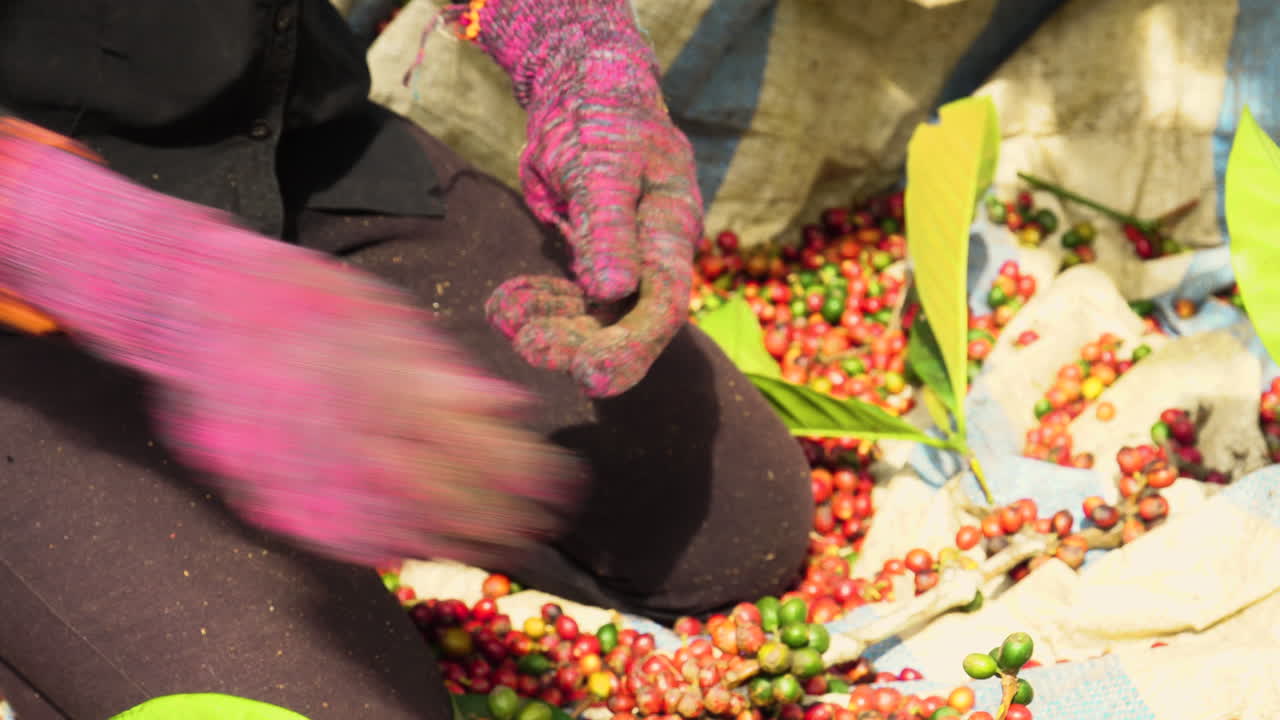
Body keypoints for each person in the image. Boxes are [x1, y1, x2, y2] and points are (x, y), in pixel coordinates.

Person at [0, 1, 811, 718]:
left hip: (286, 154)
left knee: (736, 522)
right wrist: (130, 269)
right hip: (36, 275)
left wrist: (577, 47)